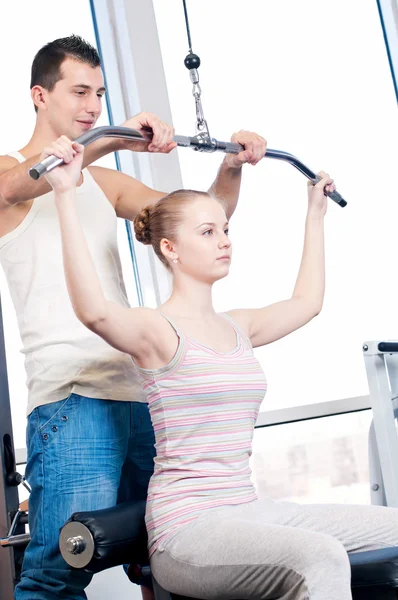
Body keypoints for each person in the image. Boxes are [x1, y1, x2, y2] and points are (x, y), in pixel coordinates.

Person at [43, 135, 398, 600]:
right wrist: (65, 194)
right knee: (320, 556)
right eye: (208, 232)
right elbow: (93, 310)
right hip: (187, 529)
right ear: (170, 249)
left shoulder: (239, 327)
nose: (225, 241)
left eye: (225, 229)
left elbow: (306, 302)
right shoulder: (157, 331)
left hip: (251, 510)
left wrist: (315, 213)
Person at [0, 35, 267, 600]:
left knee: (167, 560)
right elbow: (27, 180)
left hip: (140, 393)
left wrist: (232, 167)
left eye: (99, 93)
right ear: (38, 95)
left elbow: (194, 223)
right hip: (72, 398)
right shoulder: (10, 174)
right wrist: (117, 135)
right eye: (79, 92)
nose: (92, 105)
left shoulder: (103, 182)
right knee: (55, 573)